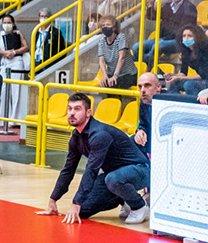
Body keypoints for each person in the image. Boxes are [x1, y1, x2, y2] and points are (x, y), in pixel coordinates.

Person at [37, 93, 151, 224]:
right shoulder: (76, 137)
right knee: (83, 211)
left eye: (77, 109)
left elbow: (91, 170)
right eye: (69, 109)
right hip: (114, 175)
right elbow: (68, 169)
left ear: (88, 112)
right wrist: (53, 200)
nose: (72, 113)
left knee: (111, 180)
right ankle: (123, 199)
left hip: (141, 171)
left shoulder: (99, 135)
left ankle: (139, 206)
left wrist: (76, 202)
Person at [0, 13, 31, 127]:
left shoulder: (18, 33)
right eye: (4, 23)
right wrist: (5, 53)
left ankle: (14, 120)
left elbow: (26, 47)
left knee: (16, 91)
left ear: (13, 23)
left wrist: (14, 52)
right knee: (3, 91)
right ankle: (1, 119)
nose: (6, 25)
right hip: (5, 63)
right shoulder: (0, 34)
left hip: (16, 62)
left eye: (9, 23)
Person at [166, 26, 208, 96]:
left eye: (189, 36)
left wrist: (181, 77)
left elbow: (203, 75)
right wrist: (174, 76)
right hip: (201, 80)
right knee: (174, 82)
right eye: (184, 36)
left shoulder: (206, 51)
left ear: (197, 37)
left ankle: (194, 103)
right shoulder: (186, 52)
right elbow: (183, 73)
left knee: (189, 85)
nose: (186, 38)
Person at [97, 15, 134, 88]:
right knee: (104, 83)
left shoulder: (121, 37)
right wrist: (105, 76)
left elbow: (122, 57)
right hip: (111, 73)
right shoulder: (101, 40)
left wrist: (115, 75)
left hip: (128, 74)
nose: (105, 27)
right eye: (103, 25)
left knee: (114, 83)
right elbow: (101, 61)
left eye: (108, 25)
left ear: (114, 27)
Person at [134, 72, 161, 157]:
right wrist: (140, 131)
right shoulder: (144, 102)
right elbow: (143, 124)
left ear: (158, 87)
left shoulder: (169, 103)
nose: (142, 90)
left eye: (147, 85)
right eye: (140, 87)